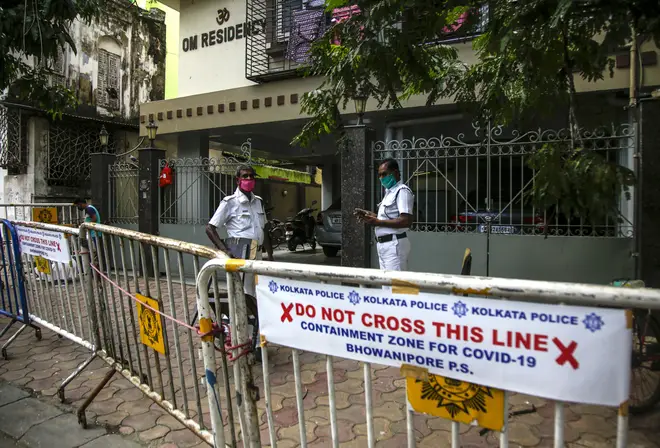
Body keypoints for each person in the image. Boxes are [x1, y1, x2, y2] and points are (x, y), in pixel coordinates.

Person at [206, 165, 266, 357]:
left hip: (257, 254)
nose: (248, 179)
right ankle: (240, 338)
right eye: (245, 176)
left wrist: (270, 256)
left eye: (251, 176)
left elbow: (264, 228)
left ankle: (255, 340)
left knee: (255, 297)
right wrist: (225, 251)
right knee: (241, 296)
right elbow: (210, 228)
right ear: (237, 180)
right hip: (239, 255)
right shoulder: (229, 202)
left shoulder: (258, 202)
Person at [357, 159, 414, 271]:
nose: (382, 178)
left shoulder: (402, 191)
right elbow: (387, 218)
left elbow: (406, 221)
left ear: (396, 173)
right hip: (384, 246)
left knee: (397, 284)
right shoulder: (389, 193)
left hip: (394, 245)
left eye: (384, 174)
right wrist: (370, 215)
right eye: (379, 175)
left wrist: (378, 222)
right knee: (387, 285)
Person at [74, 198, 103, 268]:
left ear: (81, 204)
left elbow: (94, 218)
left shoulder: (89, 209)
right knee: (93, 252)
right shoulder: (89, 209)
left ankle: (96, 270)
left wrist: (85, 225)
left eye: (78, 205)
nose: (78, 207)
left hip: (94, 234)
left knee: (95, 253)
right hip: (92, 234)